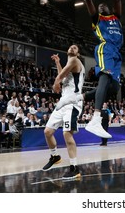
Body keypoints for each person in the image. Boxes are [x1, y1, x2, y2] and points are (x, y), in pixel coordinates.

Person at [55, 0, 123, 139]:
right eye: (99, 7)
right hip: (105, 48)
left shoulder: (116, 17)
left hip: (117, 54)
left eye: (103, 5)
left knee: (114, 87)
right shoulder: (97, 20)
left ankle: (78, 97)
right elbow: (89, 0)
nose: (101, 6)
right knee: (105, 78)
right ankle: (96, 118)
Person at [42, 44, 85, 180]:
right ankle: (55, 156)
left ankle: (74, 168)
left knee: (67, 134)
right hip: (63, 102)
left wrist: (55, 82)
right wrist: (58, 62)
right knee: (48, 132)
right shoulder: (69, 66)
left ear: (77, 54)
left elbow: (59, 78)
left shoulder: (76, 61)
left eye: (75, 48)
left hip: (73, 103)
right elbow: (64, 77)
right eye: (71, 47)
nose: (72, 48)